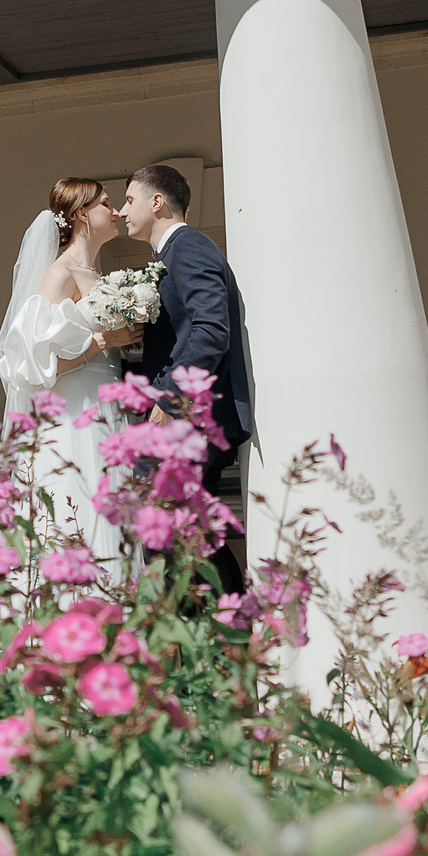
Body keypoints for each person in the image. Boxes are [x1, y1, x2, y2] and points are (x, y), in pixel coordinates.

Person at [118, 163, 253, 595]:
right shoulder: (167, 257)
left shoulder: (189, 246)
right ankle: (222, 634)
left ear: (156, 202)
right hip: (181, 418)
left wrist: (171, 398)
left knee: (166, 537)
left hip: (190, 418)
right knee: (189, 535)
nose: (122, 211)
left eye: (129, 199)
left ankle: (206, 636)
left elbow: (211, 329)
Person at [0, 177, 141, 567]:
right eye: (106, 204)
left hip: (106, 406)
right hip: (76, 412)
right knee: (80, 506)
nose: (115, 212)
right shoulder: (59, 274)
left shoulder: (97, 272)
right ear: (80, 215)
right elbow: (33, 365)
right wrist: (105, 341)